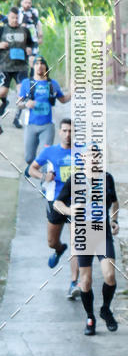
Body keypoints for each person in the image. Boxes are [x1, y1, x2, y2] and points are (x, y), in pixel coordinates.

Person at [53, 146, 120, 335]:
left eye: (97, 155)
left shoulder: (107, 178)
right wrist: (69, 211)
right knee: (86, 281)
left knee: (109, 276)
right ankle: (90, 317)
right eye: (90, 155)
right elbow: (58, 203)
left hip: (102, 232)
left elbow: (115, 202)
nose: (94, 159)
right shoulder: (75, 180)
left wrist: (114, 220)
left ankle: (105, 309)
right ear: (83, 158)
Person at [28, 118, 79, 297]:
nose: (68, 134)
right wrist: (43, 177)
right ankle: (59, 249)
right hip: (55, 201)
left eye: (71, 131)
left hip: (76, 202)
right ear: (59, 132)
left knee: (76, 244)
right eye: (65, 131)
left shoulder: (81, 152)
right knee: (51, 242)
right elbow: (31, 169)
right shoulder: (49, 152)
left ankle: (74, 283)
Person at [17, 56, 70, 176]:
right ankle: (32, 168)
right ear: (33, 67)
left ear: (46, 67)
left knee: (45, 155)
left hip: (47, 126)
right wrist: (26, 104)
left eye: (42, 63)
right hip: (31, 125)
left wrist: (73, 91)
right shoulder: (27, 83)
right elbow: (19, 103)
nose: (39, 66)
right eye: (37, 63)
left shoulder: (52, 84)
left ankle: (45, 182)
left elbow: (63, 99)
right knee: (28, 157)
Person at [0, 7, 34, 135]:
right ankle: (4, 103)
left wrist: (30, 51)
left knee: (22, 95)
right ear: (8, 17)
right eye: (12, 17)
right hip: (5, 67)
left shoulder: (25, 30)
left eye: (16, 18)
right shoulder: (2, 29)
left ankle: (18, 120)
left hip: (21, 67)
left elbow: (31, 43)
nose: (14, 20)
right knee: (2, 92)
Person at [14, 0, 43, 128]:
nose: (28, 4)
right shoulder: (18, 13)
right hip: (21, 46)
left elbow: (38, 23)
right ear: (21, 3)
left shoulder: (34, 12)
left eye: (30, 2)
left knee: (32, 82)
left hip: (33, 45)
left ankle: (31, 115)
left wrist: (40, 34)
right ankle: (17, 116)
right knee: (23, 85)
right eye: (26, 2)